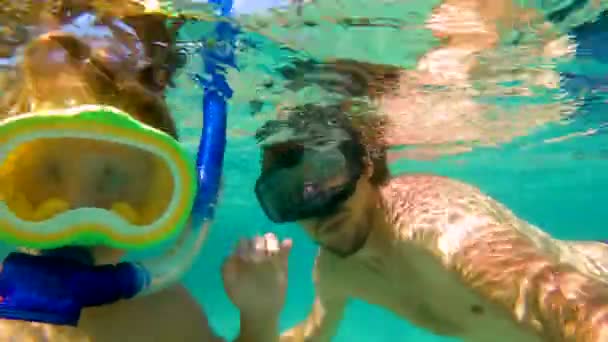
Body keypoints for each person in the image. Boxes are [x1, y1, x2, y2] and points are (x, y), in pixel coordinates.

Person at [221, 2, 608, 342]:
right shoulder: (336, 269)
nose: (317, 205)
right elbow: (312, 334)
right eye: (288, 194)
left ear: (366, 165)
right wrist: (261, 317)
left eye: (328, 173)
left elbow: (563, 303)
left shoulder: (435, 225)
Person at [0, 1, 286, 341]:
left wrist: (259, 318)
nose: (76, 217)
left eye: (116, 184)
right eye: (47, 177)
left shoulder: (162, 315)